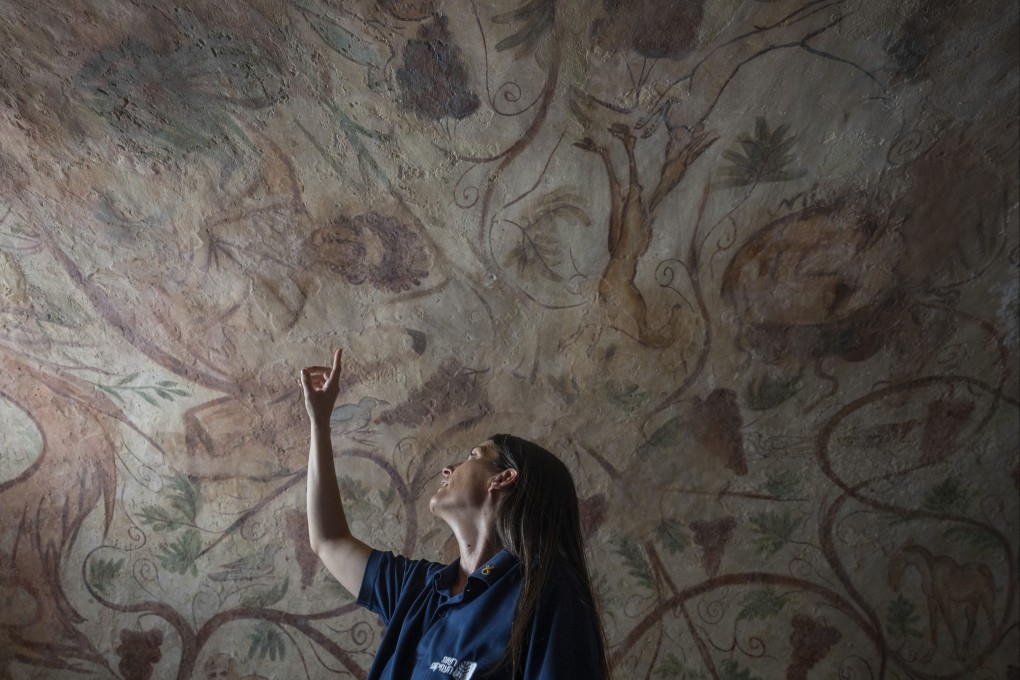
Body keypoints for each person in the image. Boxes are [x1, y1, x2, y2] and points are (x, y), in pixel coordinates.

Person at [301, 349, 611, 679]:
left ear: (503, 478)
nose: (448, 468)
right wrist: (319, 424)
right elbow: (329, 540)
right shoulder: (419, 587)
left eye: (471, 455)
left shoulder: (547, 592)